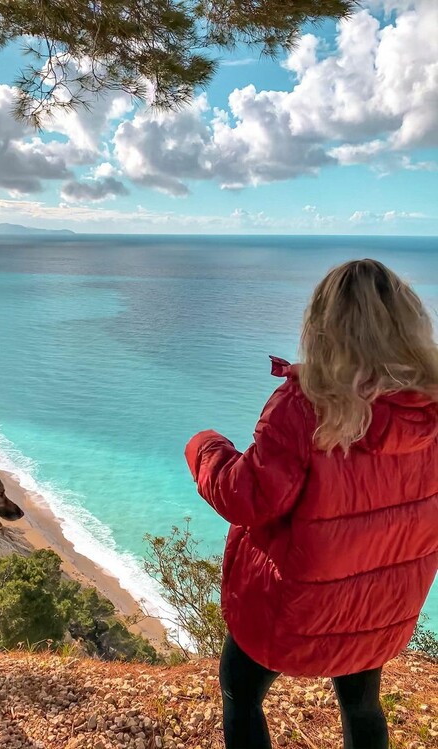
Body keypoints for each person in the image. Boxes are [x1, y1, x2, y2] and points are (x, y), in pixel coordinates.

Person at [185, 259, 438, 749]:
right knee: (363, 706)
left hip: (294, 608)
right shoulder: (429, 410)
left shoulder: (305, 406)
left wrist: (205, 447)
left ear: (324, 327)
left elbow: (247, 497)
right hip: (380, 605)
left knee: (240, 693)